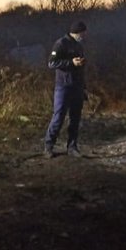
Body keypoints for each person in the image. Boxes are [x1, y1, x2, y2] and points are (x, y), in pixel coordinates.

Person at [43, 21, 88, 158]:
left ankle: (72, 147)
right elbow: (51, 63)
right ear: (77, 32)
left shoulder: (79, 45)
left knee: (75, 118)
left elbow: (79, 68)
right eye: (83, 33)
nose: (84, 36)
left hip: (77, 86)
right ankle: (48, 146)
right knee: (58, 117)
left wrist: (83, 86)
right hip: (63, 86)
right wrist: (70, 63)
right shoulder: (61, 43)